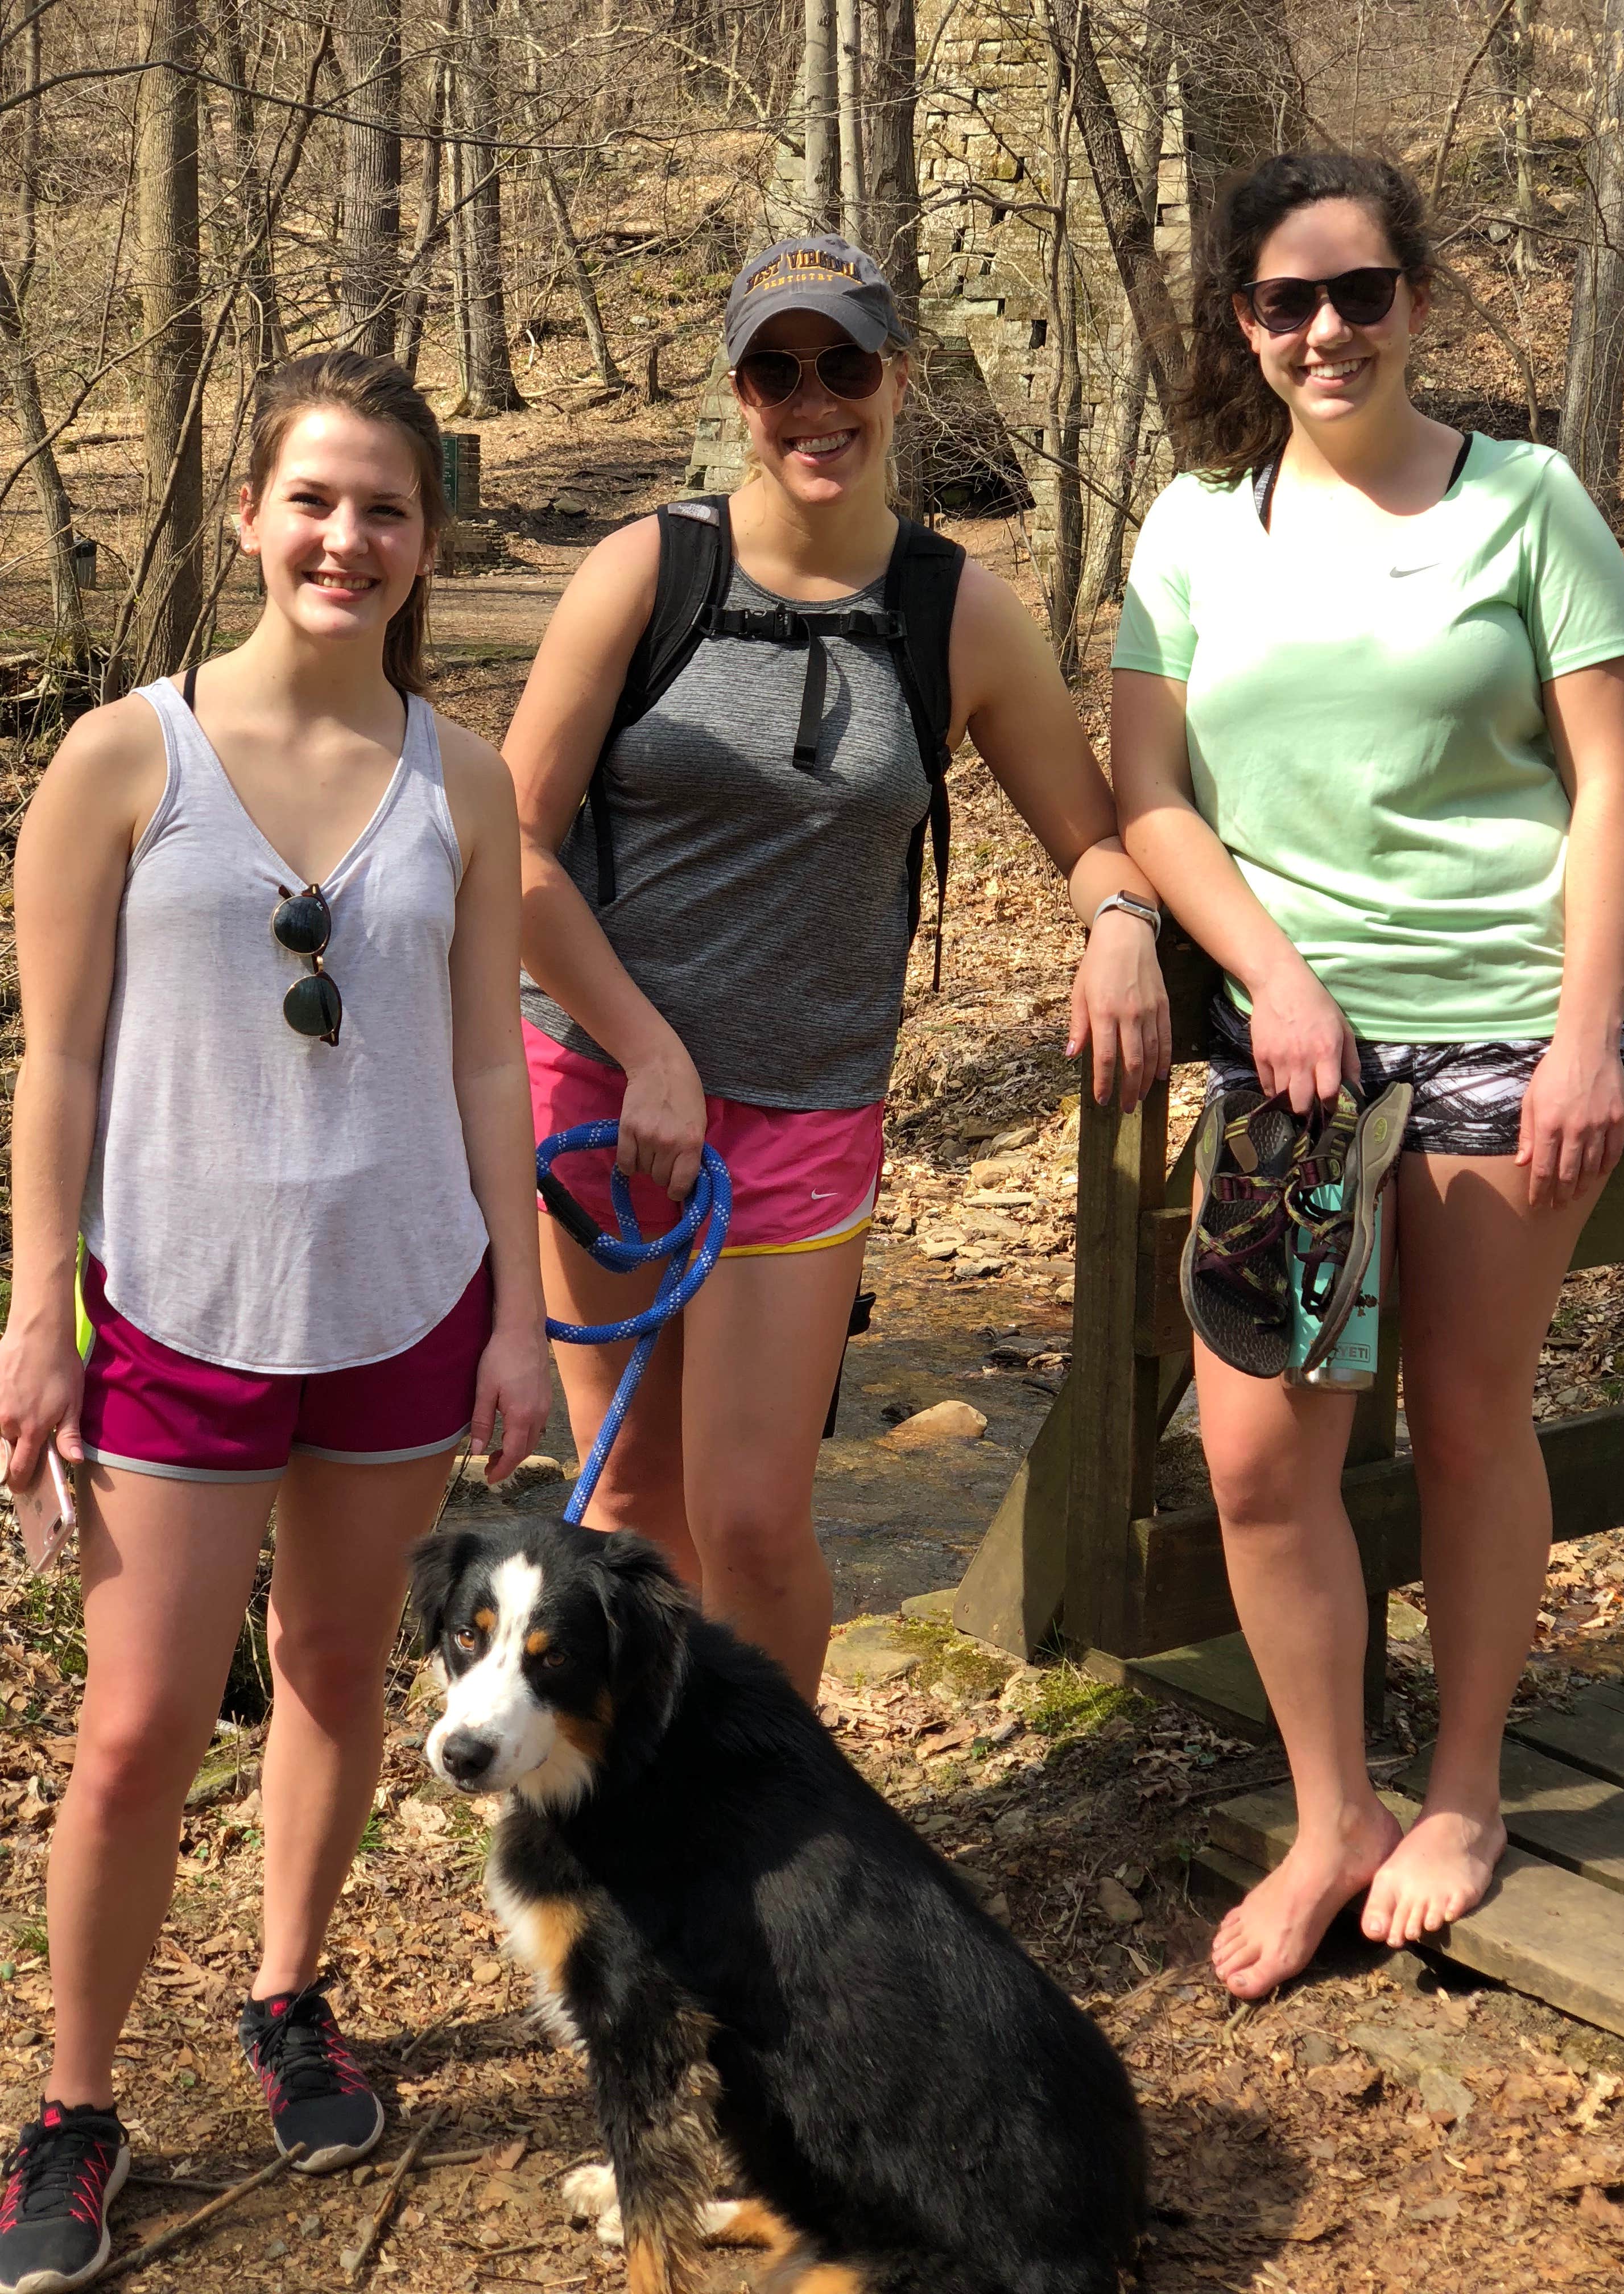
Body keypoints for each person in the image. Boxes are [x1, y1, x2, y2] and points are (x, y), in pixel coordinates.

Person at [0, 351, 552, 2291]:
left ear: (426, 542)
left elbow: (492, 1064)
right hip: (171, 1303)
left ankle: (288, 1998)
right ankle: (73, 2110)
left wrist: (520, 1318)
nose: (347, 536)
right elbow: (57, 1062)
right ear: (249, 516)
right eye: (314, 499)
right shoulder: (120, 758)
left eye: (385, 508)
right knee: (142, 1723)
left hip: (404, 1304)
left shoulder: (461, 778)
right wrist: (36, 1310)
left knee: (332, 1673)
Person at [1110, 152, 1624, 1999]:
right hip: (1296, 1050)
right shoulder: (1192, 528)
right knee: (1264, 1460)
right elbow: (1151, 799)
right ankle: (1333, 1805)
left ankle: (1471, 1791)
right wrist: (1265, 973)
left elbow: (1615, 794)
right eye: (1285, 300)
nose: (1325, 329)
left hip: (1512, 1018)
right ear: (1242, 326)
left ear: (1415, 300)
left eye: (1358, 293)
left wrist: (1589, 1032)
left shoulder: (1528, 501)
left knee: (1473, 1418)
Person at [506, 236, 1170, 1703]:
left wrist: (1122, 924)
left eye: (845, 365)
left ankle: (773, 1839)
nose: (816, 401)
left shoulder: (956, 611)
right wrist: (652, 1051)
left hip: (807, 1109)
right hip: (603, 1091)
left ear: (899, 381)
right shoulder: (648, 572)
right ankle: (633, 1844)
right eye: (777, 370)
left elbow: (1094, 837)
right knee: (625, 1509)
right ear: (742, 396)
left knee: (751, 1521)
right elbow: (514, 852)